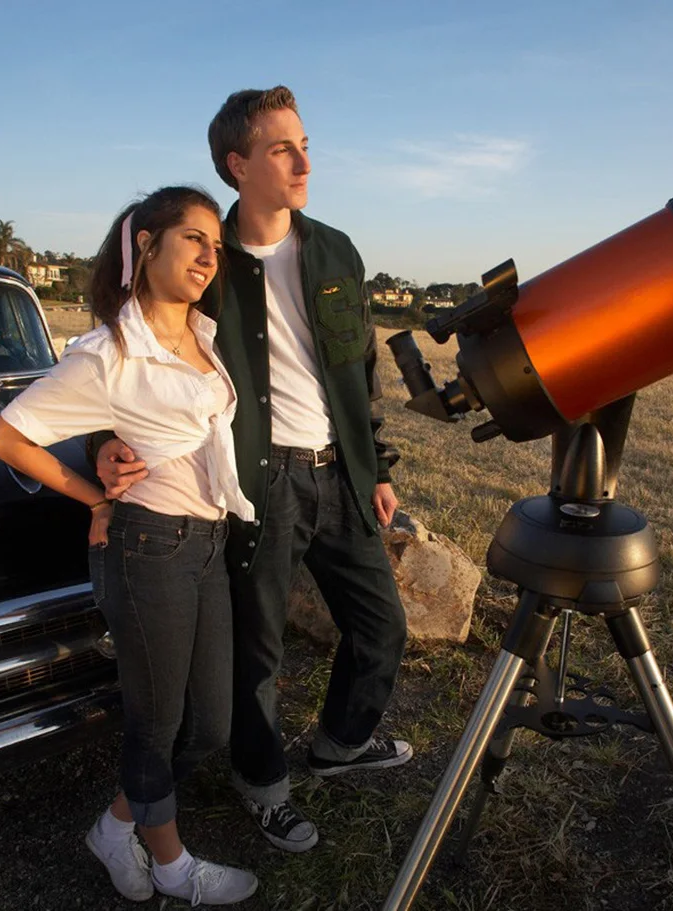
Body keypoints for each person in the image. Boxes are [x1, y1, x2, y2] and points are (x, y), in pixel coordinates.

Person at [94, 86, 411, 854]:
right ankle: (263, 784)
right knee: (257, 650)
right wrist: (103, 438)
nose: (304, 163)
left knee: (382, 626)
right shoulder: (207, 258)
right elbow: (136, 344)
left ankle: (340, 742)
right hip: (258, 482)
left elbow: (359, 367)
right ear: (237, 164)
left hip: (341, 474)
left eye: (305, 145)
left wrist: (376, 464)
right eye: (281, 149)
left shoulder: (335, 250)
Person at [0, 186, 259, 906]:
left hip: (208, 542)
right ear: (146, 244)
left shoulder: (202, 335)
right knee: (157, 721)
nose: (209, 255)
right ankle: (172, 866)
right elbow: (6, 436)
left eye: (216, 245)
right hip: (148, 548)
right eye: (193, 238)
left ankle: (115, 826)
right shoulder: (108, 353)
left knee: (210, 722)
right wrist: (95, 496)